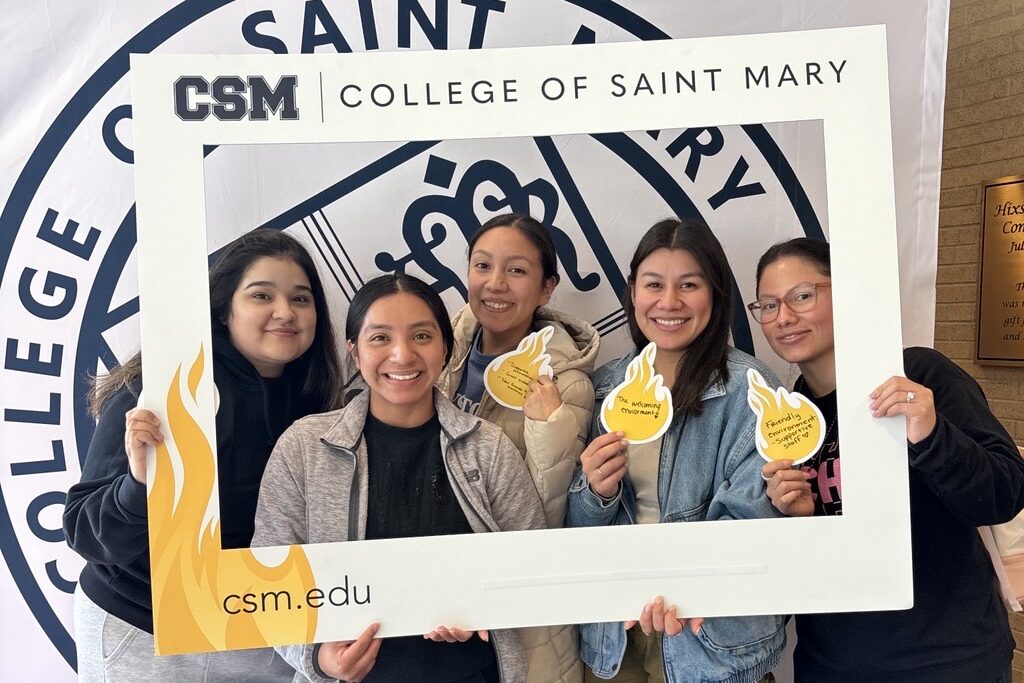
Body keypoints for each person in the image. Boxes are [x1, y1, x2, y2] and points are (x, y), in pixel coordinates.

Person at [63, 229, 345, 681]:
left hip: (261, 633)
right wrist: (139, 486)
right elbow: (87, 535)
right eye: (261, 295)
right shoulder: (162, 388)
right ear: (223, 309)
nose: (284, 312)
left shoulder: (324, 404)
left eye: (301, 298)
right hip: (142, 627)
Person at [751, 237, 1024, 682]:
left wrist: (933, 435)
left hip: (950, 661)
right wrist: (796, 519)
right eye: (767, 305)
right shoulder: (787, 416)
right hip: (832, 664)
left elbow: (1005, 493)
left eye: (802, 296)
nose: (784, 317)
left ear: (847, 291)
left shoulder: (918, 375)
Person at [252, 273, 546, 683]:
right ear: (354, 351)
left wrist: (486, 610)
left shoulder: (488, 448)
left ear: (445, 348)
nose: (402, 355)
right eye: (380, 338)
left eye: (422, 336)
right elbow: (268, 589)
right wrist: (319, 659)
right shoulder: (304, 448)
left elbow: (532, 568)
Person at [566, 218, 786, 683]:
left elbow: (751, 524)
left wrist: (678, 587)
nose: (669, 302)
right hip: (616, 635)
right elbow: (578, 533)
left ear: (716, 293)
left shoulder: (753, 389)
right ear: (632, 293)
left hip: (711, 639)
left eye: (689, 284)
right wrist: (595, 493)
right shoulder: (606, 388)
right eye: (653, 285)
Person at [437, 213, 598, 683]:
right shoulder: (438, 350)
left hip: (520, 624)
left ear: (547, 288)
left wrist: (548, 428)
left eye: (517, 270)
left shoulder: (567, 385)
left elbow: (547, 519)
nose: (495, 284)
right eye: (482, 266)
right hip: (436, 599)